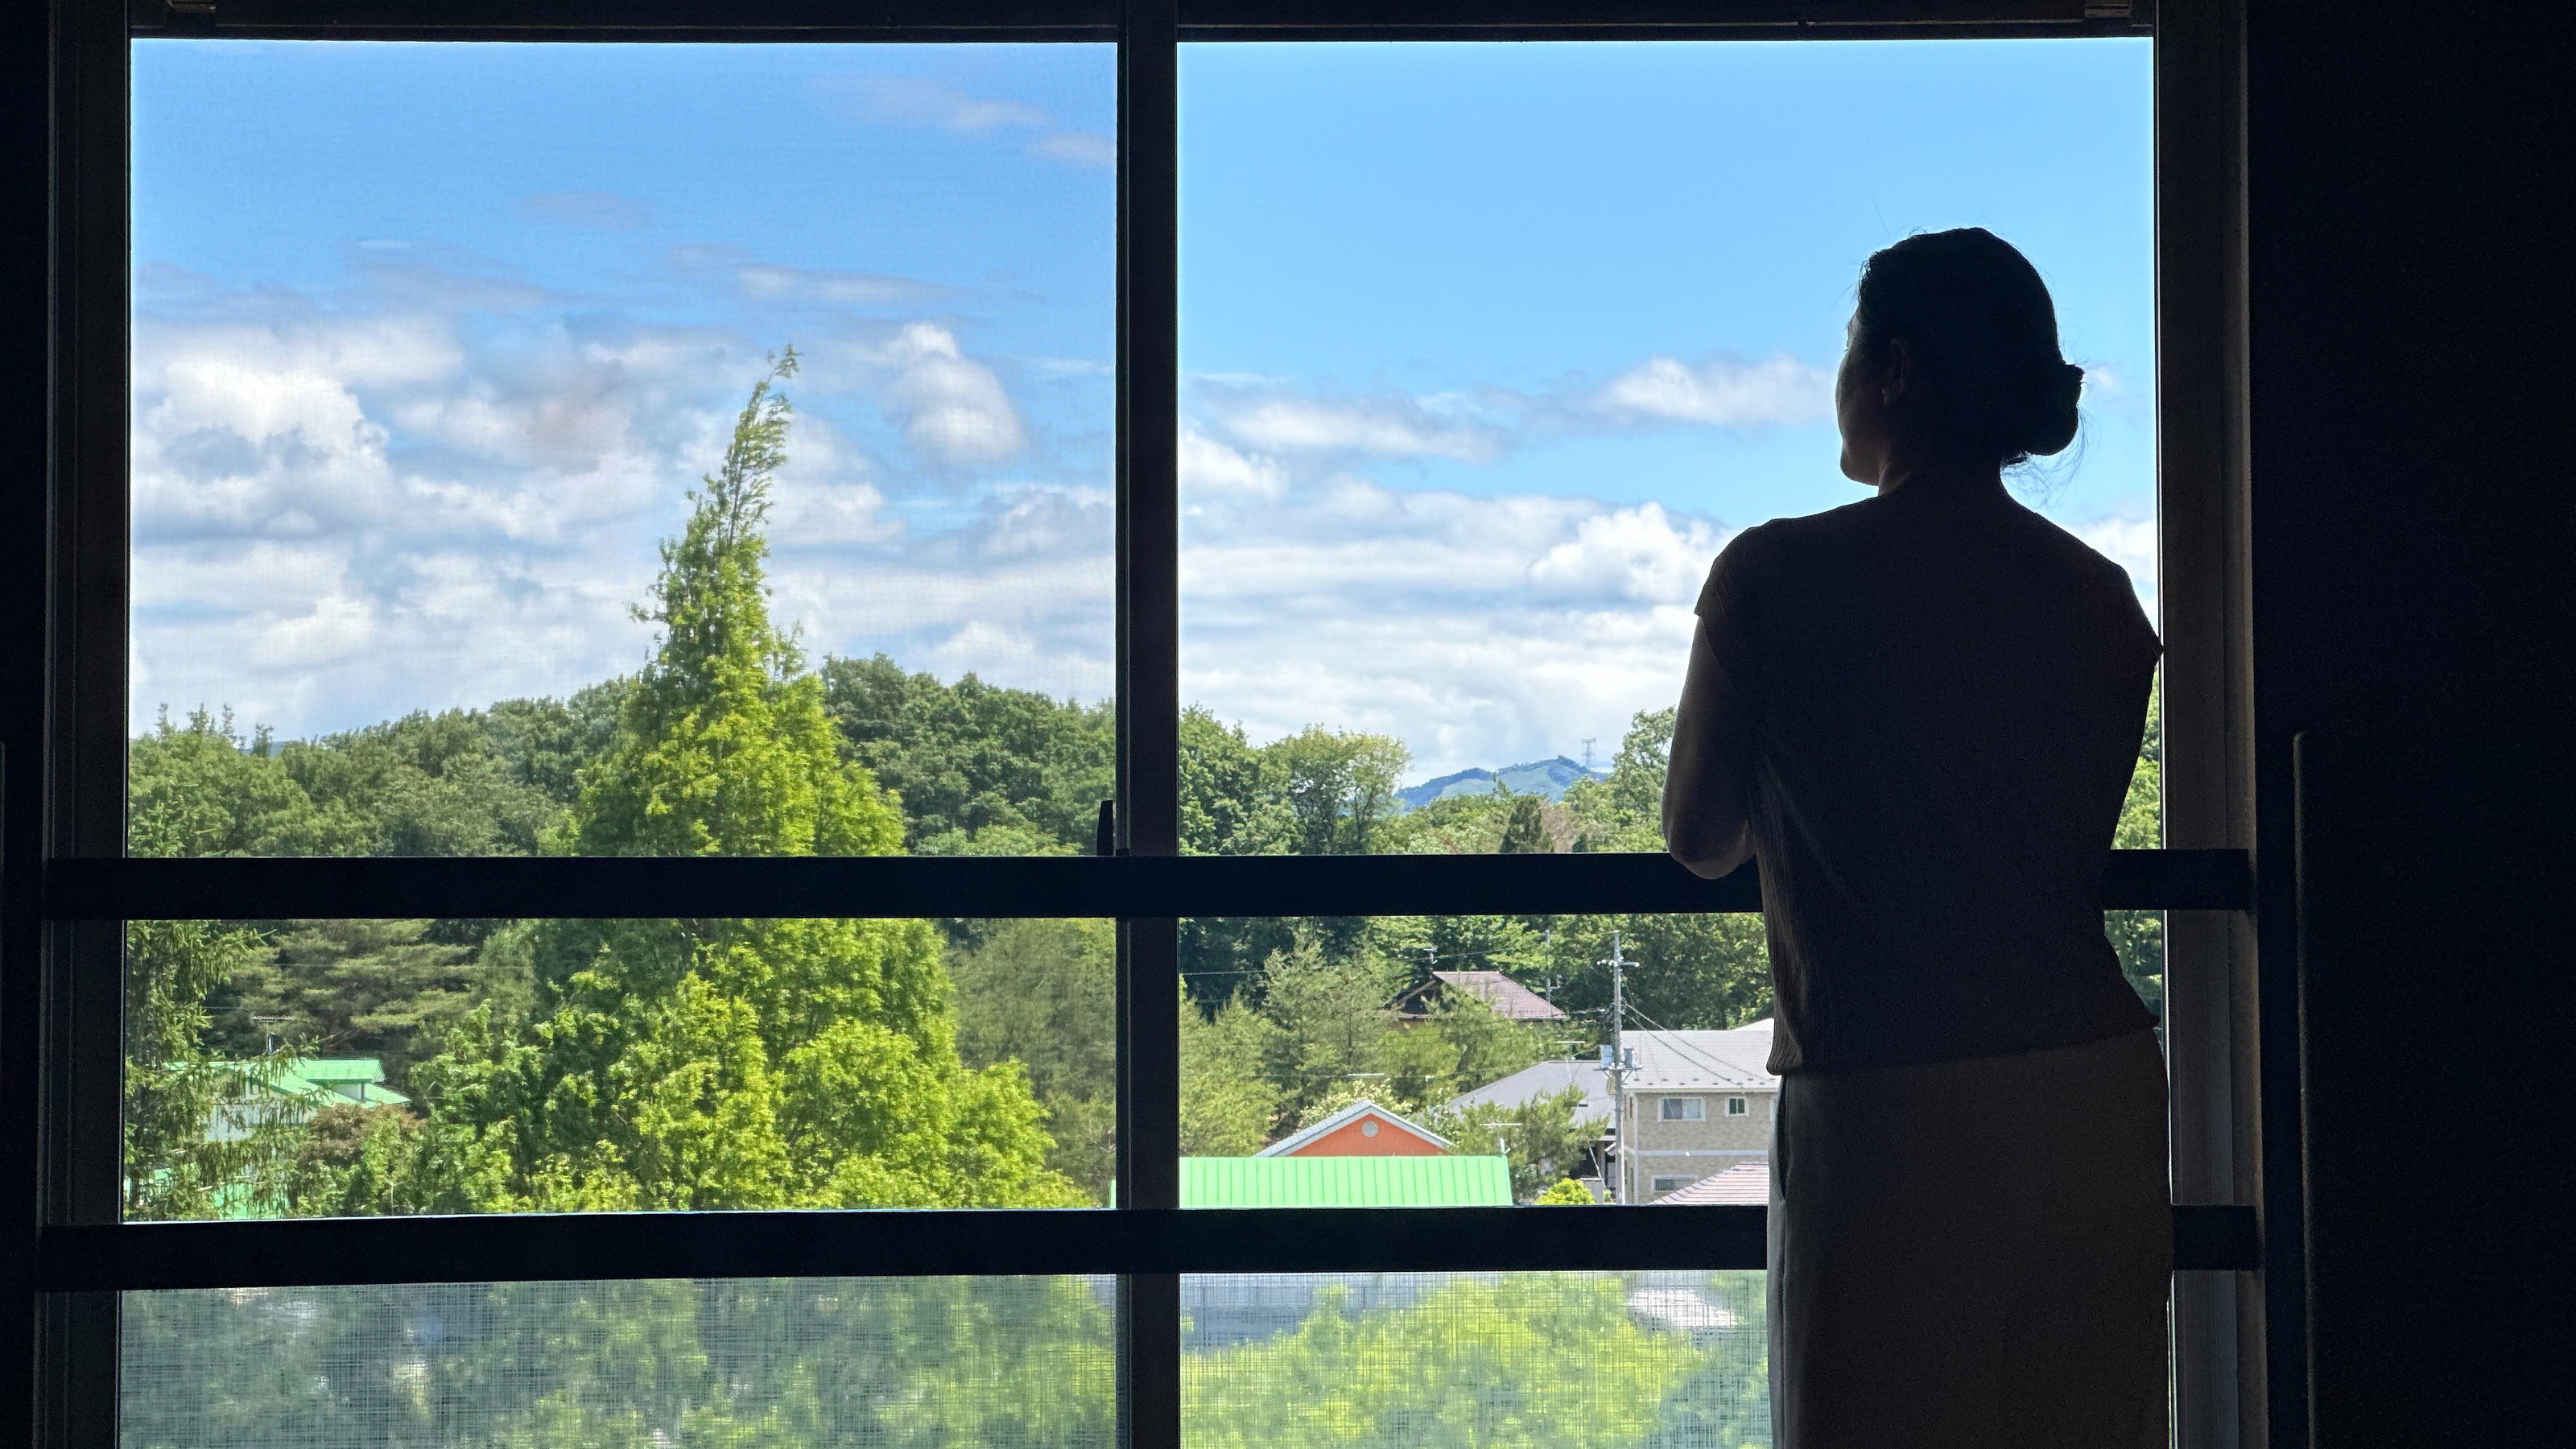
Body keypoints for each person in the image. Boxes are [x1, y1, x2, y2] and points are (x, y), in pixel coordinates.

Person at [1662, 228, 2168, 1449]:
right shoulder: (2099, 598)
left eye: (1844, 344)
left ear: (1892, 370)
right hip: (2095, 1085)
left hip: (1887, 1098)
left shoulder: (1775, 577)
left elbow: (1699, 835)